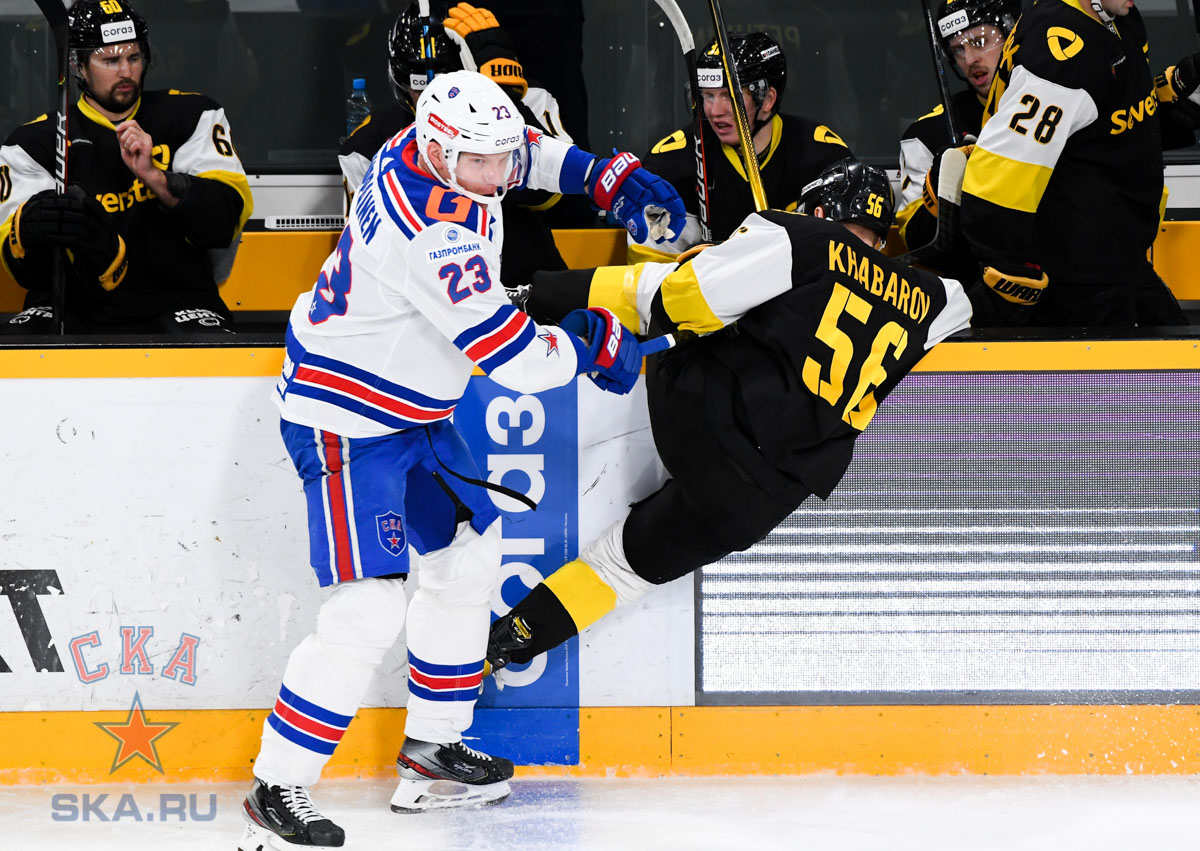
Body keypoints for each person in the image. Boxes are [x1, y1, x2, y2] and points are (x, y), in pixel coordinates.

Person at [238, 70, 684, 849]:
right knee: (367, 609)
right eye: (479, 162)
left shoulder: (422, 145)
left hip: (415, 410)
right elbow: (513, 357)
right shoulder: (434, 233)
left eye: (496, 157)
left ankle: (433, 748)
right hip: (344, 420)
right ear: (442, 153)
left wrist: (600, 173)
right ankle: (277, 784)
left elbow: (522, 152)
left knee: (469, 556)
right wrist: (587, 344)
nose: (496, 173)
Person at [484, 160, 973, 682]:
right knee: (619, 569)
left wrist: (707, 259)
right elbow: (965, 297)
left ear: (818, 210)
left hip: (706, 421)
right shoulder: (940, 300)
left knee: (676, 292)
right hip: (764, 497)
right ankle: (502, 645)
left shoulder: (799, 236)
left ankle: (526, 302)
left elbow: (675, 297)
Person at [0, 0, 252, 334]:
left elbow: (224, 220)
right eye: (110, 60)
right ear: (77, 65)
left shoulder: (192, 116)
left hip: (177, 301)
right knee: (16, 348)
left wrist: (156, 178)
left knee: (212, 348)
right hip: (72, 306)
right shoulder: (33, 143)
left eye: (133, 58)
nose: (126, 72)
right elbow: (21, 267)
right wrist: (30, 227)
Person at [961, 0, 1196, 326]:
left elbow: (1107, 122)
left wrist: (1171, 100)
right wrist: (1007, 270)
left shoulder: (1118, 16)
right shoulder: (1059, 50)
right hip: (1078, 277)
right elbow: (1001, 169)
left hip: (1122, 258)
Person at [339, 1, 585, 291]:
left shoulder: (528, 100)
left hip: (527, 283)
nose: (435, 101)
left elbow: (556, 198)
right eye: (421, 90)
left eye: (449, 88)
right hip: (428, 298)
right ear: (401, 84)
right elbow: (368, 252)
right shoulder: (366, 145)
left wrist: (504, 102)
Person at [633, 31, 857, 262]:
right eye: (707, 96)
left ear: (767, 99)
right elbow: (650, 270)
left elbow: (852, 257)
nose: (715, 111)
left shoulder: (823, 156)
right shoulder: (671, 162)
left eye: (728, 96)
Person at [894, 0, 1019, 278]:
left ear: (1012, 34)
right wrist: (939, 188)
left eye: (980, 42)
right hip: (970, 285)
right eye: (958, 50)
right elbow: (914, 239)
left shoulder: (1058, 106)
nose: (970, 59)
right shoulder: (926, 133)